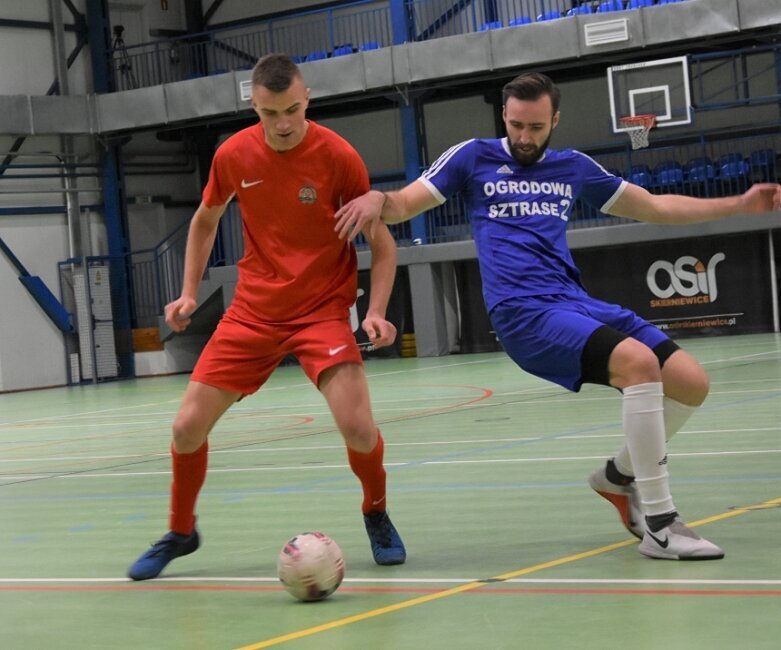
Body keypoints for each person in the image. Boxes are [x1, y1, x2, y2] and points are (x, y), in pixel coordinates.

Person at [334, 71, 781, 561]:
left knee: (691, 382)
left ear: (555, 121)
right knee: (639, 366)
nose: (525, 137)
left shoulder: (573, 167)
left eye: (537, 127)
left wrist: (737, 204)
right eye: (517, 124)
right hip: (521, 312)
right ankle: (659, 523)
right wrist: (379, 198)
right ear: (504, 115)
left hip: (574, 301)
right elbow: (401, 205)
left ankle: (616, 477)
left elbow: (652, 206)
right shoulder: (473, 157)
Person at [128, 53, 406, 581]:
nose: (282, 124)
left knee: (359, 429)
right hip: (253, 311)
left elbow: (383, 245)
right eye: (269, 113)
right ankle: (182, 531)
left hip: (322, 309)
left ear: (308, 101)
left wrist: (375, 312)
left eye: (292, 111)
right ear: (253, 105)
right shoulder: (234, 154)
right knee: (186, 428)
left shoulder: (339, 157)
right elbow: (206, 219)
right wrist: (189, 293)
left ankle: (375, 511)